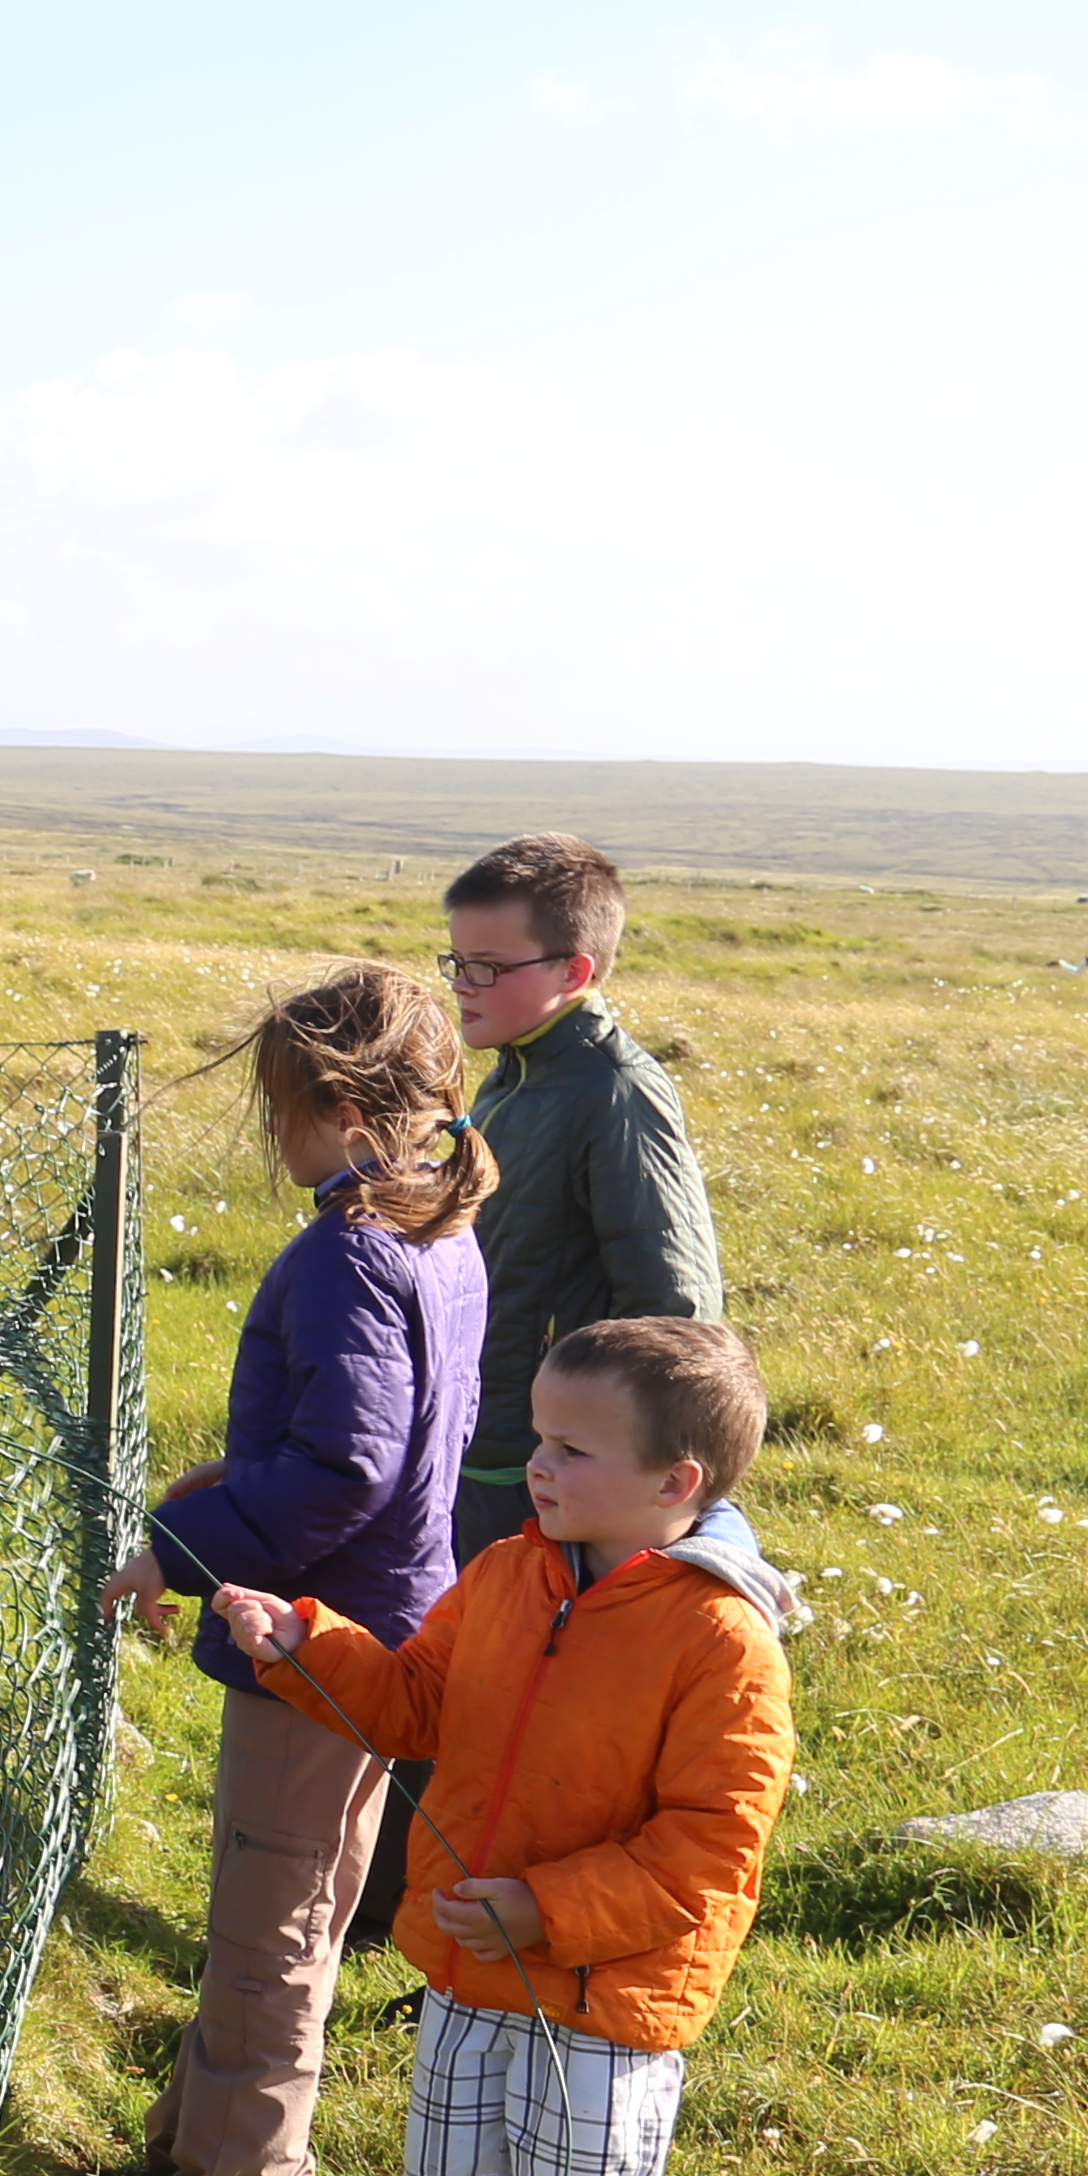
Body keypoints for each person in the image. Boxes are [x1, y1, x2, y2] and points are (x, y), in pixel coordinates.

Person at [209, 1317, 800, 2176]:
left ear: (674, 1482)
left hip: (604, 1989)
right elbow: (416, 1705)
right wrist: (304, 1646)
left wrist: (546, 1908)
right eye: (537, 1436)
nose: (537, 1466)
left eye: (573, 1450)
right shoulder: (507, 1575)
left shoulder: (723, 1645)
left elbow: (712, 1847)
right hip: (479, 1960)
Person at [104, 961, 493, 2176]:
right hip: (389, 1618)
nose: (271, 1133)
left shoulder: (348, 1253)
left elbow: (346, 1465)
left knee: (277, 1910)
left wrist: (180, 1541)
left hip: (317, 1637)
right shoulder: (441, 1233)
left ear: (341, 1108)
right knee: (304, 1895)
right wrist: (230, 1479)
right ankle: (197, 2143)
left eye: (281, 1106)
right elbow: (393, 1437)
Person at [350, 831, 728, 1951]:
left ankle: (476, 1931)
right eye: (455, 961)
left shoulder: (615, 1094)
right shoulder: (518, 1080)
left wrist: (612, 1481)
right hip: (476, 1450)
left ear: (577, 972)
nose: (464, 988)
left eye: (491, 967)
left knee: (514, 1713)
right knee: (450, 1688)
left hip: (540, 1473)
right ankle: (394, 1917)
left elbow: (677, 1317)